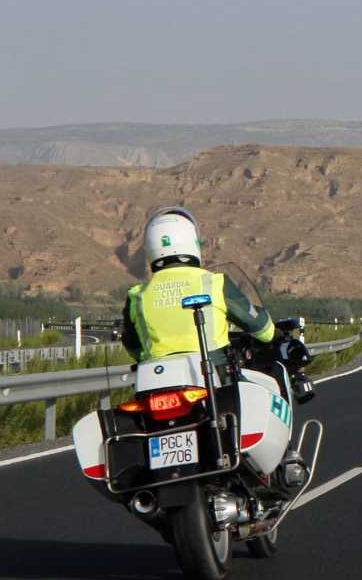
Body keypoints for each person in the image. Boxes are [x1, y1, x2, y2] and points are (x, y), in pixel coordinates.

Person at [121, 206, 307, 483]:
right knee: (269, 387)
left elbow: (133, 346)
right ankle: (287, 458)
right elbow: (259, 327)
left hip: (155, 387)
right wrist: (276, 336)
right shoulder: (213, 283)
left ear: (150, 248)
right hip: (212, 377)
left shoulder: (137, 296)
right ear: (193, 241)